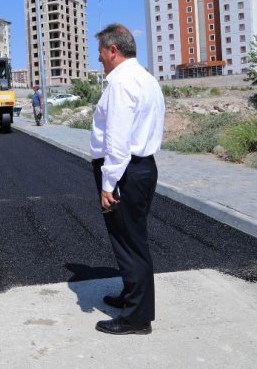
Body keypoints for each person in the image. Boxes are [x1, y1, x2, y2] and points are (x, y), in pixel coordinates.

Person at [89, 23, 165, 336]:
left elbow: (118, 142)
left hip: (124, 172)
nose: (100, 60)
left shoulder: (121, 84)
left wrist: (108, 184)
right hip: (143, 167)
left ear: (113, 50)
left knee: (131, 243)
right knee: (131, 238)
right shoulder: (147, 79)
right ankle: (131, 296)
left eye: (101, 53)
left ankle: (137, 318)